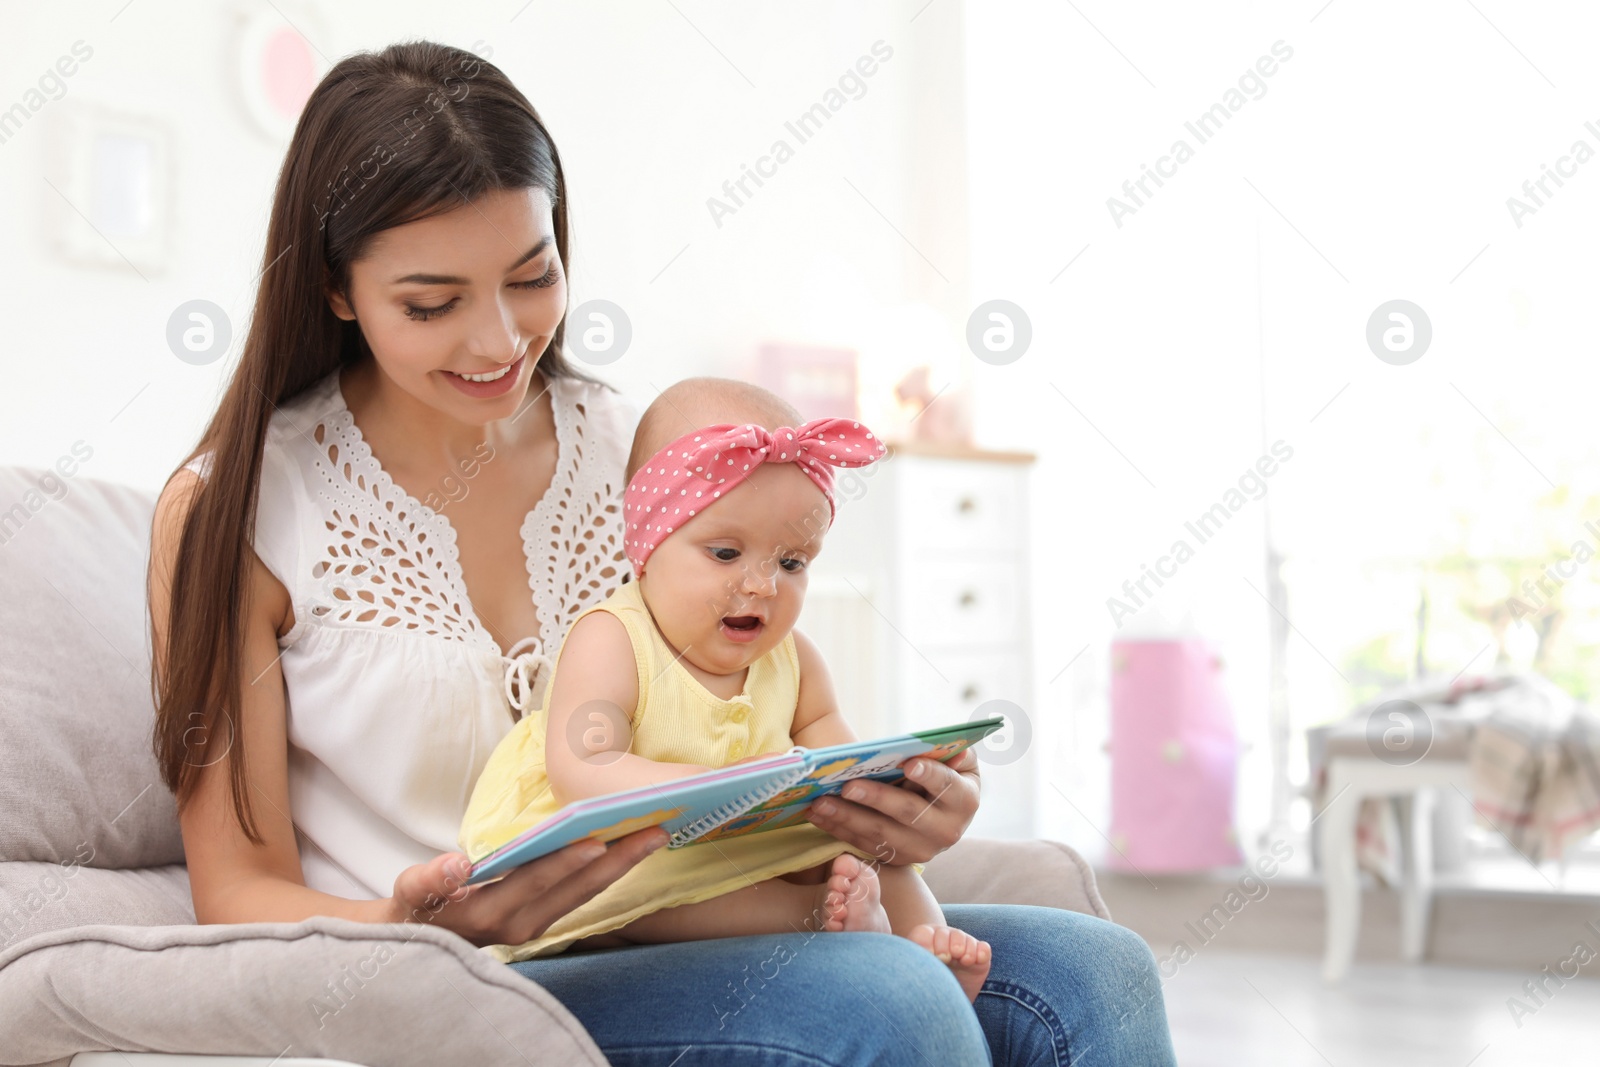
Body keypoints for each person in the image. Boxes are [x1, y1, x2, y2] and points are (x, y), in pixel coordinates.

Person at [147, 39, 1177, 1065]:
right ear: (336, 289)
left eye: (531, 275)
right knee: (888, 1000)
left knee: (1096, 969)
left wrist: (889, 813)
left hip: (701, 908)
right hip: (453, 978)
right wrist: (423, 928)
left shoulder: (646, 456)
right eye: (432, 304)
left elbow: (761, 714)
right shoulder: (236, 512)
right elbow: (234, 890)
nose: (502, 339)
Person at [458, 379, 993, 997]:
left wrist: (897, 780)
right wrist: (709, 792)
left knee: (867, 857)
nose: (764, 584)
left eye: (792, 562)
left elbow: (841, 766)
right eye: (725, 552)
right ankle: (816, 915)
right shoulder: (614, 638)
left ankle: (930, 954)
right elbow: (583, 765)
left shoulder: (795, 662)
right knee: (643, 895)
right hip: (626, 852)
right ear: (648, 547)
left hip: (748, 841)